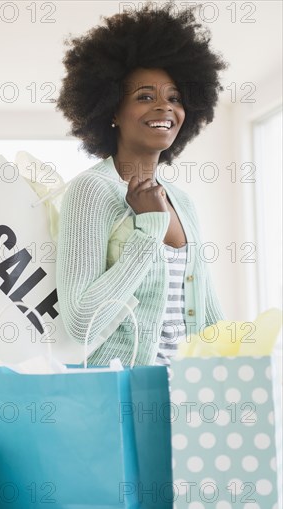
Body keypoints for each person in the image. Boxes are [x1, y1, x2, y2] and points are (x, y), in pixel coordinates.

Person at [55, 1, 229, 366]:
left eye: (175, 98)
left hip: (186, 394)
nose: (164, 108)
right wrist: (148, 230)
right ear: (112, 111)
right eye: (145, 96)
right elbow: (81, 323)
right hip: (121, 397)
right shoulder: (92, 191)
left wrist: (230, 374)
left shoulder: (182, 201)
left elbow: (208, 317)